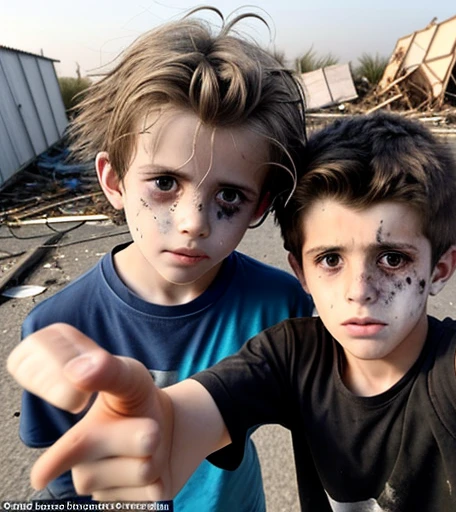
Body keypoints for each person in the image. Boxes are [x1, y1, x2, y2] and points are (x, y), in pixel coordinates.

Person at [9, 112, 456, 511]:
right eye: (330, 259)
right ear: (301, 271)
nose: (360, 291)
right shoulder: (293, 354)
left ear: (441, 269)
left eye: (393, 259)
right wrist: (159, 424)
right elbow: (190, 413)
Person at [16, 7, 312, 511]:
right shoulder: (57, 327)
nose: (194, 221)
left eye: (229, 199)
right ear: (114, 181)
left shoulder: (283, 307)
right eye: (165, 183)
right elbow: (67, 482)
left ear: (260, 205)